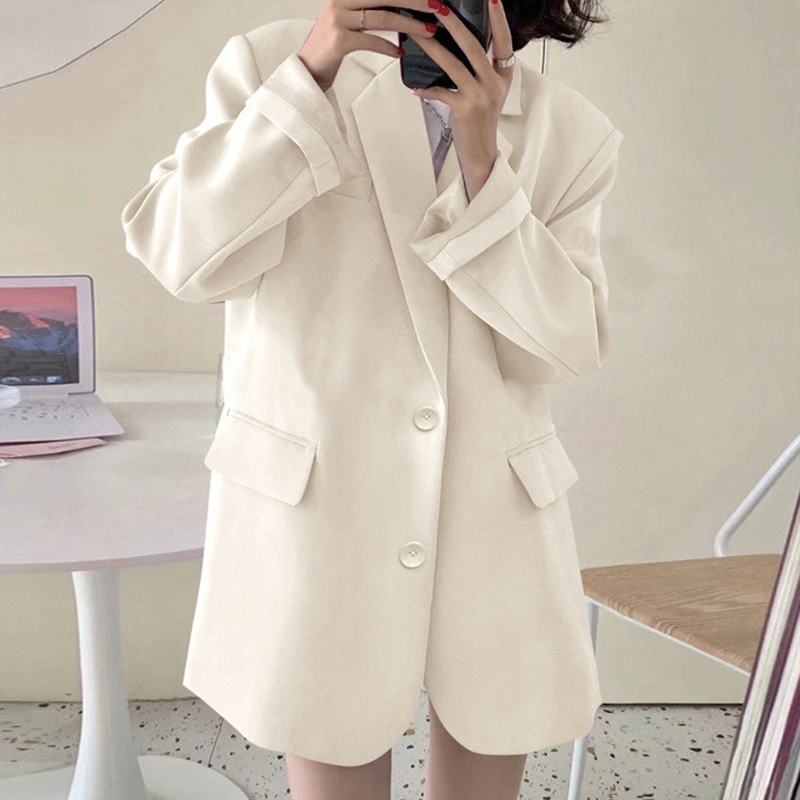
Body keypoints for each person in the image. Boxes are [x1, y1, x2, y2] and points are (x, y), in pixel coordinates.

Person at [121, 0, 623, 797]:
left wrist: (485, 166)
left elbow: (561, 346)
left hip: (493, 518)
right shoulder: (275, 66)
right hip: (325, 511)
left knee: (490, 737)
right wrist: (309, 77)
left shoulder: (571, 133)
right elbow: (182, 256)